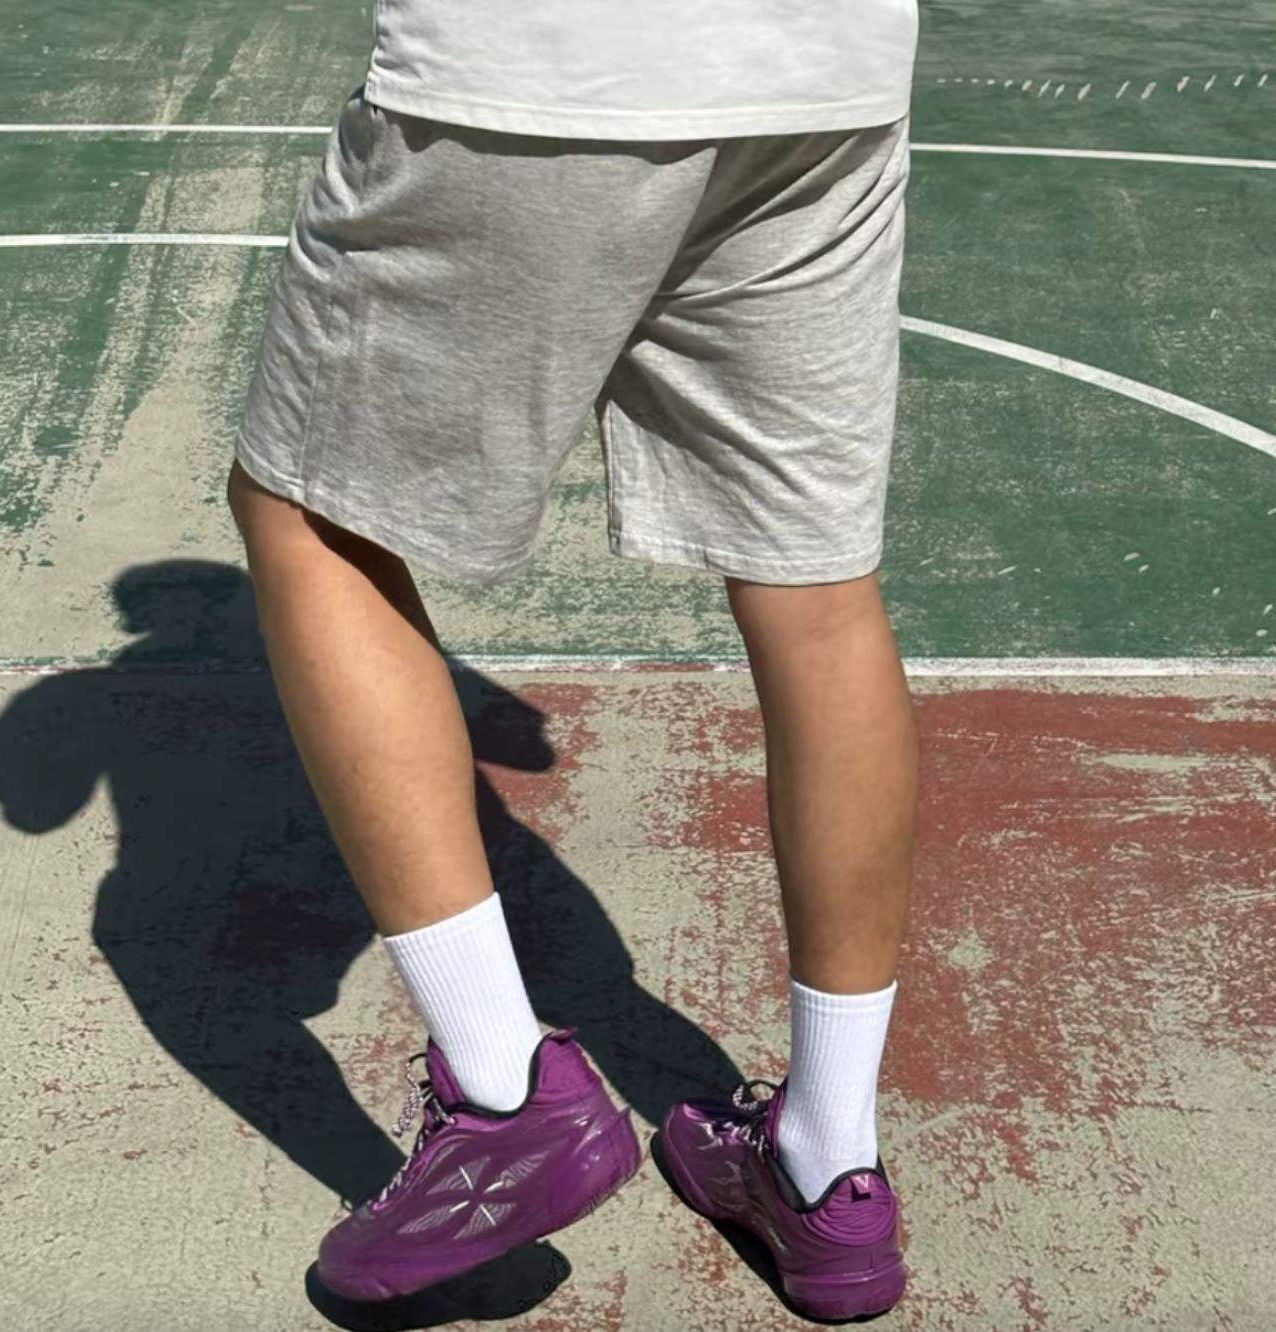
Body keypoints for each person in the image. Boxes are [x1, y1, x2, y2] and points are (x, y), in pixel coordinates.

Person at [227, 0, 921, 1318]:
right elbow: (525, 742)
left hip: (543, 68)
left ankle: (504, 1097)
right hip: (826, 74)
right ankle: (830, 1168)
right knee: (817, 588)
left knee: (311, 521)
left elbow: (37, 799)